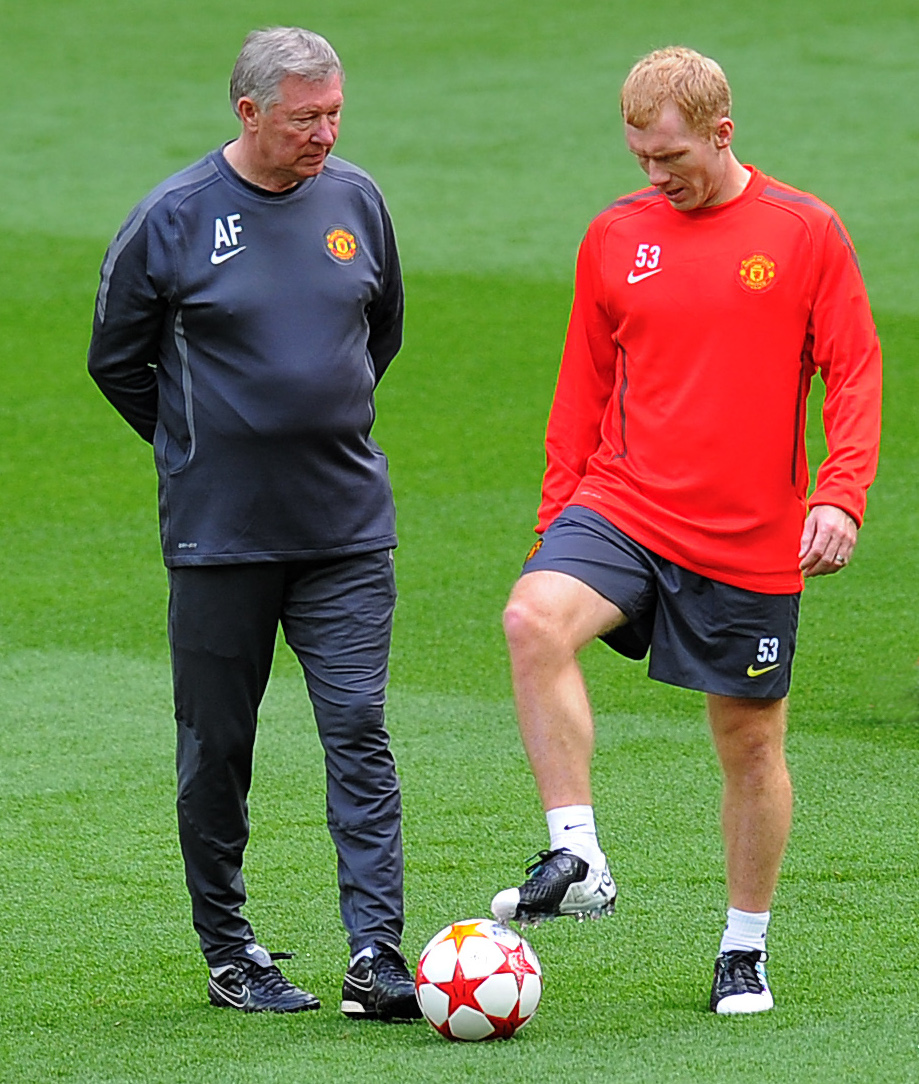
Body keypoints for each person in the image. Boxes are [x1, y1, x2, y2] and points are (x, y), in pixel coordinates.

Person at [490, 46, 881, 1014]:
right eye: (638, 156)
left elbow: (856, 367)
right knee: (533, 617)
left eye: (669, 156)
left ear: (720, 131)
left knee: (748, 744)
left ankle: (742, 947)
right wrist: (554, 527)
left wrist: (839, 494)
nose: (654, 174)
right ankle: (577, 852)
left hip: (748, 535)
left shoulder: (802, 231)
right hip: (624, 505)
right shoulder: (615, 237)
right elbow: (580, 387)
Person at [88, 26, 420, 1021]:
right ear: (249, 113)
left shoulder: (356, 201)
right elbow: (117, 357)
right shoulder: (175, 218)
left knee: (358, 727)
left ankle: (376, 953)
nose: (323, 133)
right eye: (303, 117)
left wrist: (314, 415)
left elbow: (380, 329)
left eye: (333, 114)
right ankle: (231, 950)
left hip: (346, 528)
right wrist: (199, 448)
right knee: (218, 746)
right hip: (220, 536)